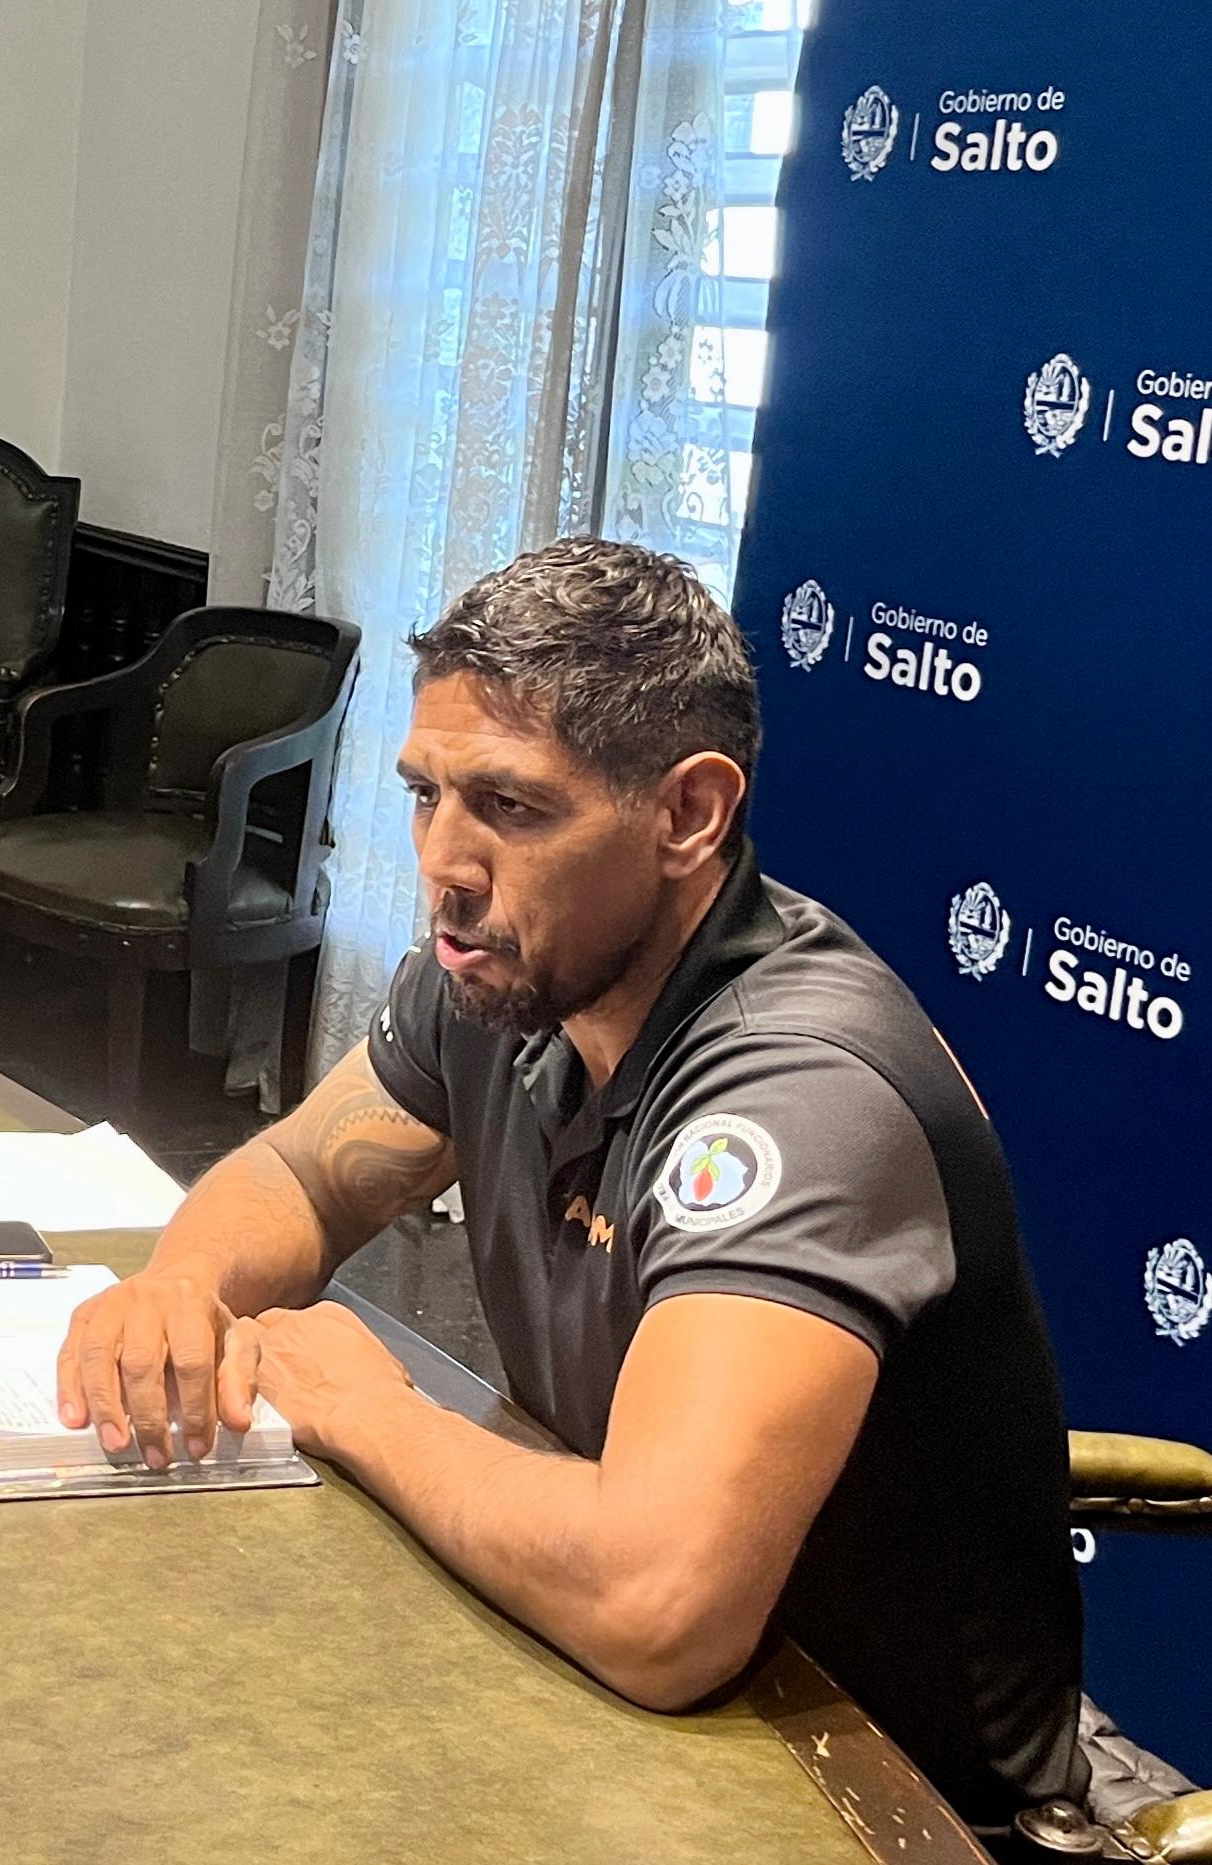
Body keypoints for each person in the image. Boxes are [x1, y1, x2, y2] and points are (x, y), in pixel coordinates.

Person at [54, 538, 1084, 1841]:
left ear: (687, 814)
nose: (445, 863)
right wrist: (181, 1285)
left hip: (881, 1806)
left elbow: (657, 1604)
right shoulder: (505, 971)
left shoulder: (798, 1093)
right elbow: (303, 1174)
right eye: (425, 794)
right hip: (615, 1716)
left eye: (512, 806)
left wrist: (369, 1409)